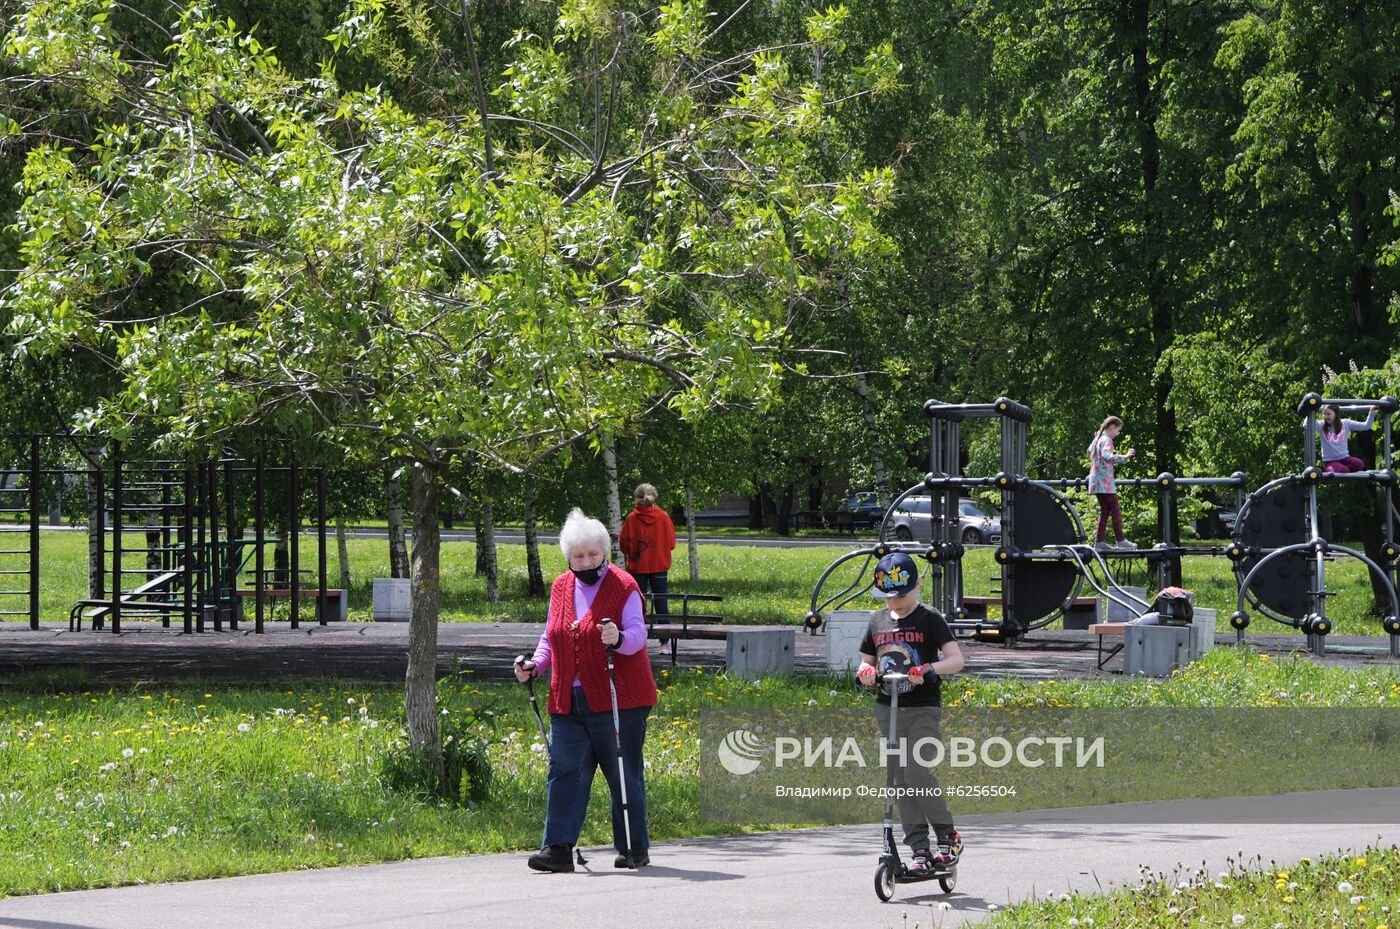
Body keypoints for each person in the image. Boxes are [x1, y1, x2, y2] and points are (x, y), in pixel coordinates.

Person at [513, 508, 657, 872]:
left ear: (604, 552)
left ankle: (633, 848)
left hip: (618, 698)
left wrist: (619, 638)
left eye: (593, 554)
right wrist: (534, 665)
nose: (586, 561)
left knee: (622, 771)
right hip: (568, 699)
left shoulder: (624, 585)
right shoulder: (561, 587)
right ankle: (557, 850)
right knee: (564, 772)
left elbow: (638, 636)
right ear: (569, 558)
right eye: (578, 556)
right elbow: (551, 636)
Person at [855, 552, 965, 873]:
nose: (896, 603)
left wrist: (929, 669)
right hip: (887, 710)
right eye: (889, 597)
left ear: (917, 585)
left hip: (922, 710)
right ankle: (919, 849)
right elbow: (866, 661)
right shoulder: (877, 621)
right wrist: (865, 672)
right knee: (899, 779)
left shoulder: (929, 619)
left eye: (902, 596)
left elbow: (956, 660)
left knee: (917, 773)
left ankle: (948, 834)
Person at [619, 482, 677, 616]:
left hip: (638, 567)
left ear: (637, 498)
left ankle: (639, 635)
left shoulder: (632, 518)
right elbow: (672, 543)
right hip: (659, 565)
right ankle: (665, 637)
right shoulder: (663, 517)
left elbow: (624, 544)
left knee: (638, 604)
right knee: (662, 604)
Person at [1087, 415, 1136, 551]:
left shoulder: (1098, 439)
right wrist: (1124, 456)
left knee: (1105, 511)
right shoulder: (1107, 440)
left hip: (1096, 481)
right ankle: (1121, 540)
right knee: (1115, 509)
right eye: (1117, 430)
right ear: (1112, 427)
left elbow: (1089, 451)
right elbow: (1107, 456)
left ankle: (1099, 542)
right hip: (1105, 483)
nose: (1117, 433)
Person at [1316, 404, 1375, 473]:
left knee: (1359, 464)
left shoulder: (1345, 423)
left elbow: (1366, 426)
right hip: (1330, 461)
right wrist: (1310, 411)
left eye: (1328, 414)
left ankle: (1340, 469)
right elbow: (1306, 425)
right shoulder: (1321, 425)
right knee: (1344, 470)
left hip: (1344, 459)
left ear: (1336, 414)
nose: (1326, 417)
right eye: (1324, 414)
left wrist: (1372, 412)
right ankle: (1335, 468)